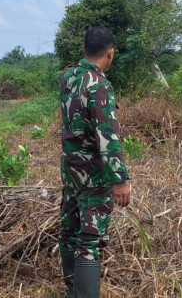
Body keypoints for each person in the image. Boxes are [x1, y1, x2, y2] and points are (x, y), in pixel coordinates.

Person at [59, 26, 132, 297]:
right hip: (94, 175)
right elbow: (107, 135)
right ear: (110, 53)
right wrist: (120, 180)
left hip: (70, 171)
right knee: (89, 239)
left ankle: (71, 290)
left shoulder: (68, 77)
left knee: (69, 230)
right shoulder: (100, 85)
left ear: (83, 50)